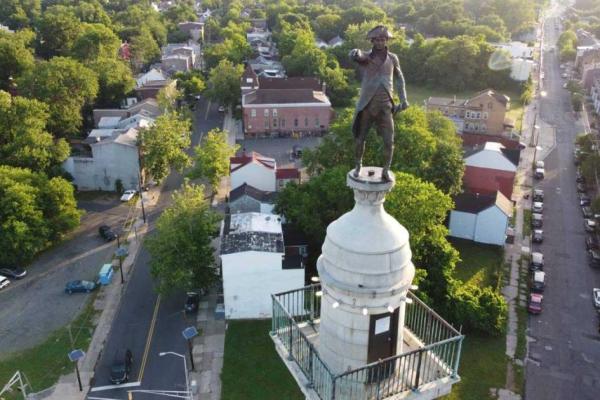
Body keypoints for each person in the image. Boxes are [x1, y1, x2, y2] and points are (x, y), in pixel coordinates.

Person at [349, 25, 409, 182]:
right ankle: (358, 165)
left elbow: (399, 79)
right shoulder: (367, 57)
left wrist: (403, 99)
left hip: (385, 107)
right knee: (360, 138)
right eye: (377, 40)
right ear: (372, 41)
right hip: (367, 106)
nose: (380, 42)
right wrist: (354, 53)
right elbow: (357, 55)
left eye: (383, 39)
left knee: (389, 141)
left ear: (387, 40)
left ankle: (386, 170)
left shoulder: (393, 58)